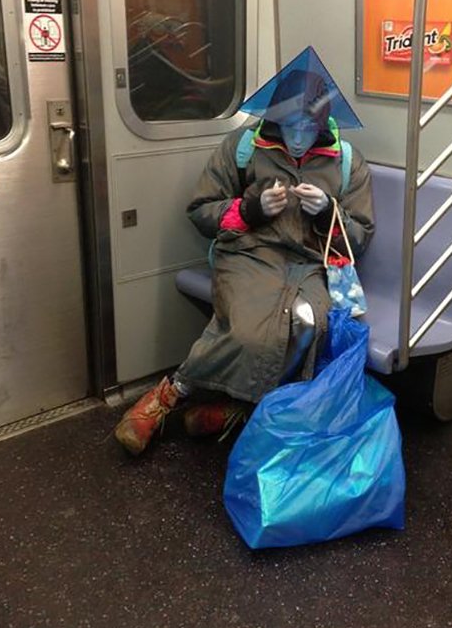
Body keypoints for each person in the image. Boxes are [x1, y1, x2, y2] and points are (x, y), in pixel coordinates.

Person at [115, 49, 374, 454]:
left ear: (324, 122)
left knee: (308, 323)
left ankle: (238, 409)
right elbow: (201, 210)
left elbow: (359, 236)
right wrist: (250, 210)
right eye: (289, 125)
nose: (298, 137)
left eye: (308, 126)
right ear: (275, 118)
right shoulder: (244, 147)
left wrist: (328, 212)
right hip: (249, 253)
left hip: (310, 264)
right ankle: (171, 393)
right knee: (247, 331)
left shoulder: (347, 163)